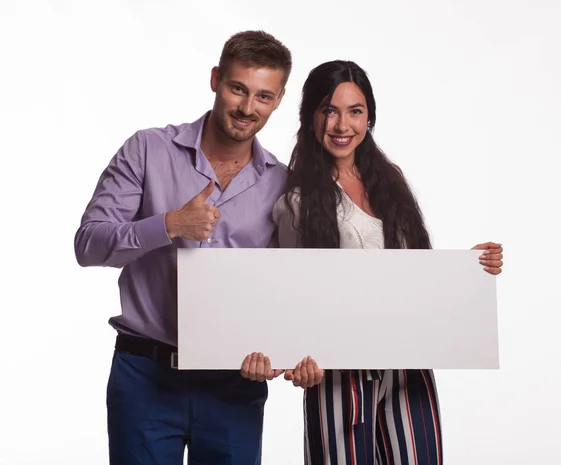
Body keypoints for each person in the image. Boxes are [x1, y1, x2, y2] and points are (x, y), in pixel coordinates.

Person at [74, 30, 295, 465]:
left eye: (264, 97)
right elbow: (88, 244)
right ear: (215, 79)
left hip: (236, 383)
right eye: (237, 89)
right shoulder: (147, 149)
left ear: (279, 99)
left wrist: (279, 348)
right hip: (146, 375)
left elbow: (286, 288)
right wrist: (168, 225)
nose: (248, 108)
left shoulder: (283, 184)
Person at [272, 60, 504, 465]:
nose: (342, 124)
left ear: (369, 116)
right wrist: (297, 357)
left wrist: (467, 270)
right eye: (329, 109)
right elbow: (291, 293)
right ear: (310, 115)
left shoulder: (389, 178)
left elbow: (414, 268)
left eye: (355, 111)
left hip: (408, 362)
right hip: (339, 372)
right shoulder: (297, 200)